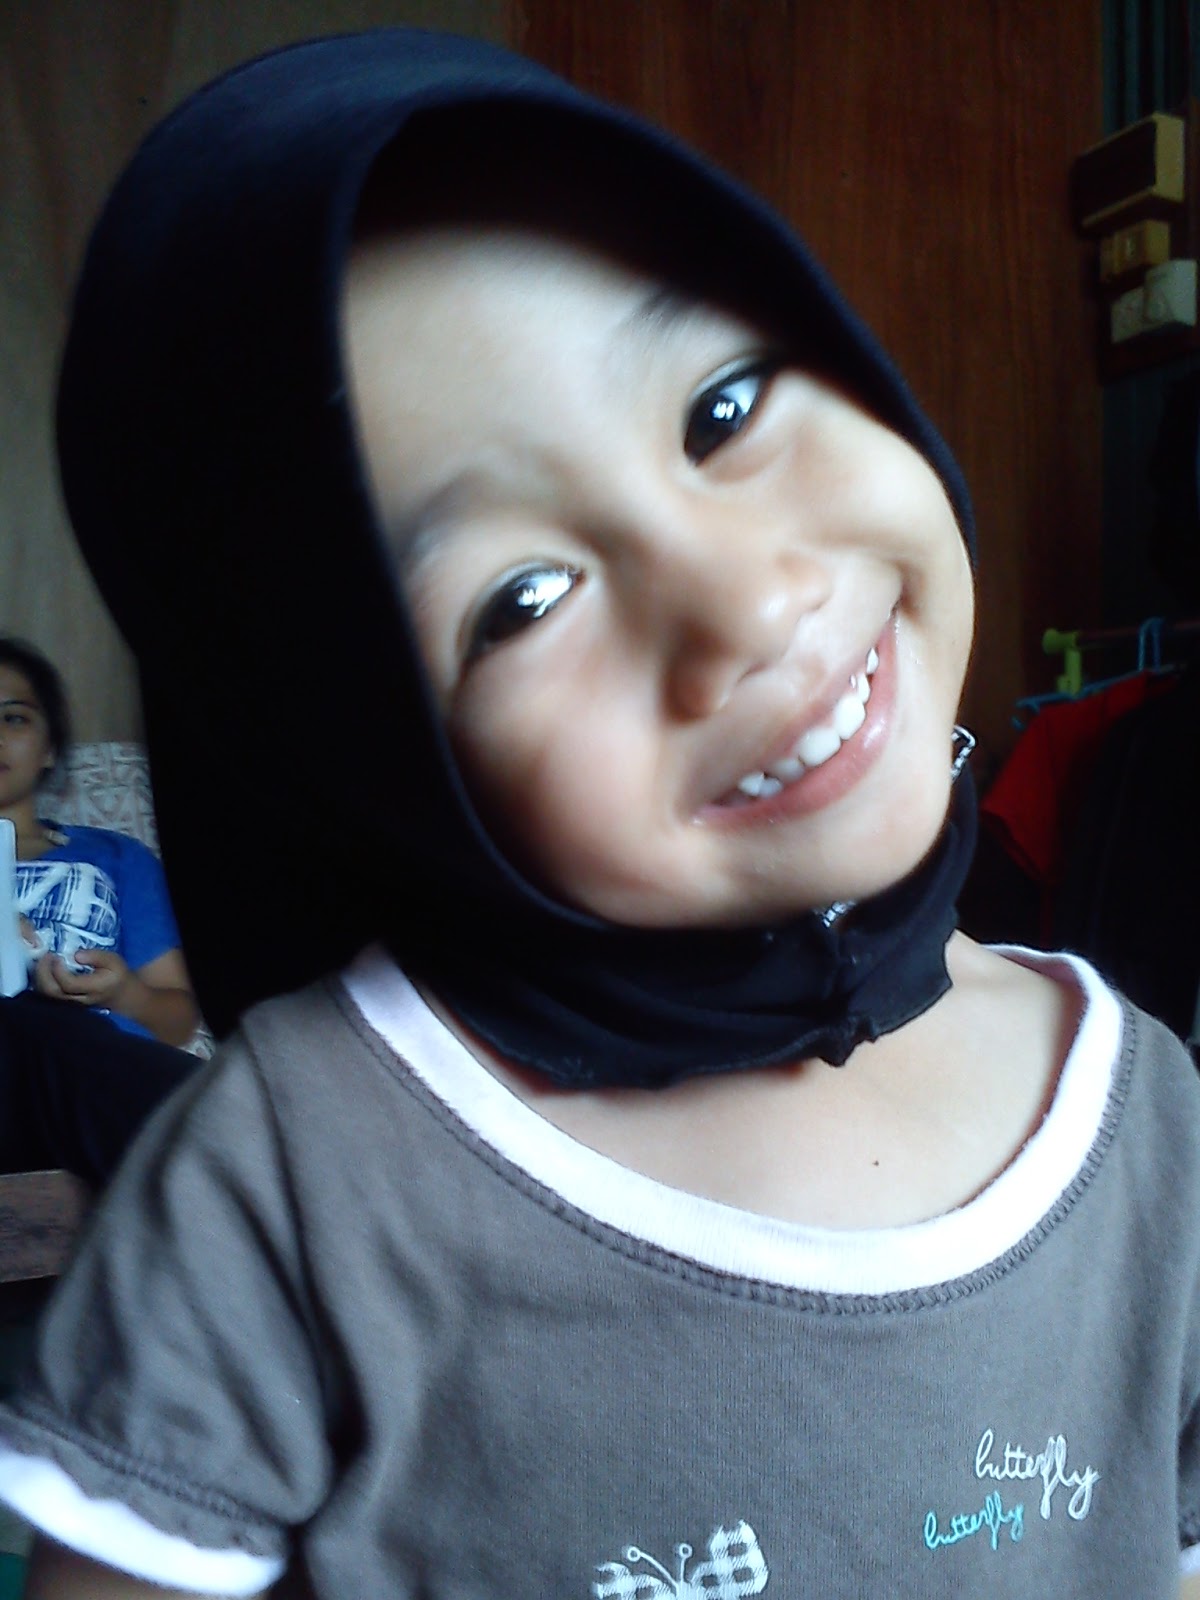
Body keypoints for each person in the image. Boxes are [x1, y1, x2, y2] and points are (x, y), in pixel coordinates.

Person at [0, 27, 1197, 1599]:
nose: (748, 605)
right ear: (378, 767)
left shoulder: (1144, 1117)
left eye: (724, 406)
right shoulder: (299, 1177)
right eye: (521, 600)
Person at [0, 635, 199, 1183]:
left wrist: (121, 994)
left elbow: (178, 1021)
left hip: (84, 1092)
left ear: (49, 747)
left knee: (52, 1030)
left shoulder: (117, 857)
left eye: (13, 718)